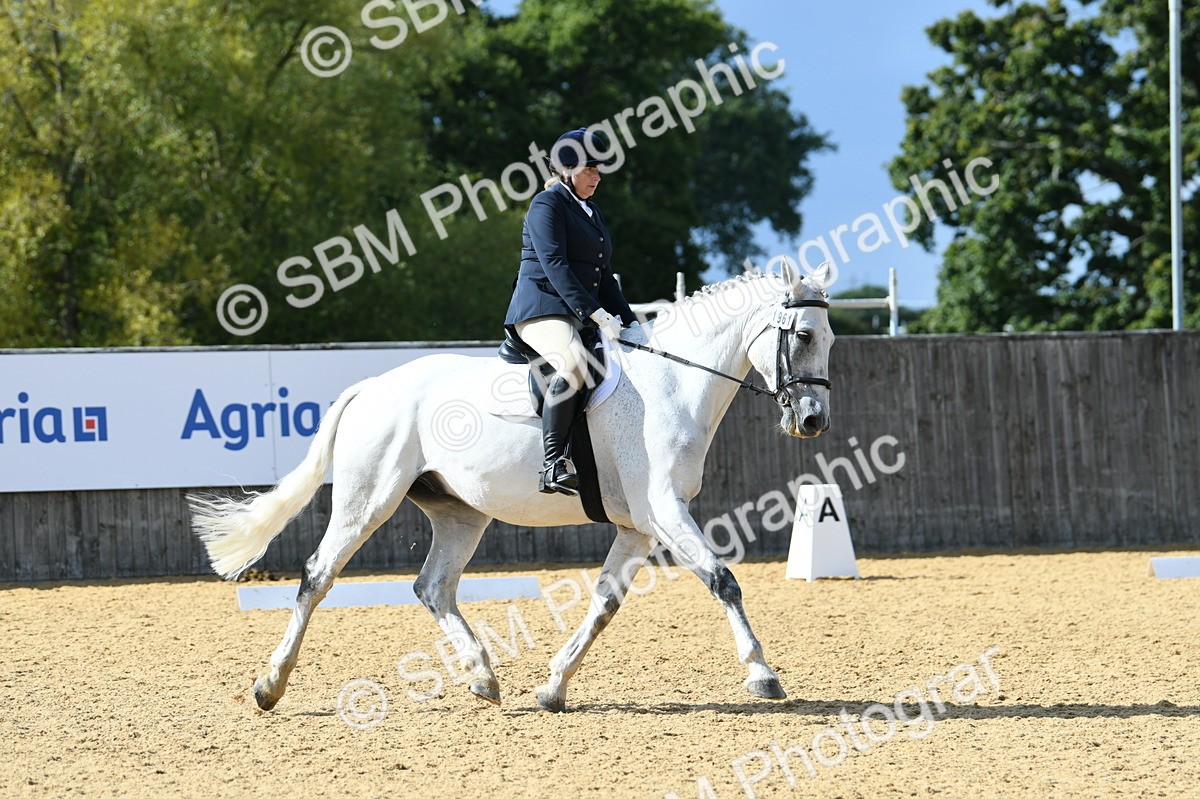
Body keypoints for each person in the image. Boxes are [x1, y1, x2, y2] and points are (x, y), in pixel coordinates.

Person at [503, 127, 639, 496]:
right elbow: (554, 264)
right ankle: (552, 464)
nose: (597, 177)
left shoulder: (590, 211)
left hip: (577, 311)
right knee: (575, 362)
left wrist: (631, 323)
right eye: (590, 170)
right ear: (566, 169)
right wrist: (593, 313)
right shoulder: (546, 205)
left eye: (600, 170)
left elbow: (604, 276)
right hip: (541, 308)